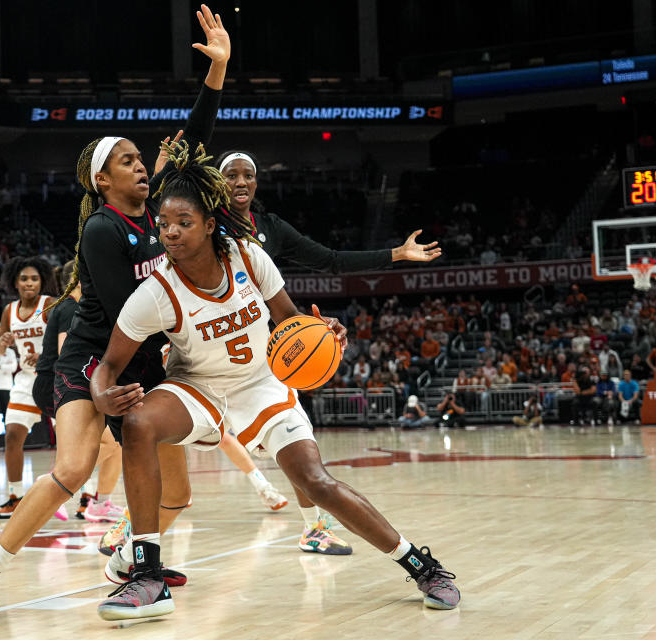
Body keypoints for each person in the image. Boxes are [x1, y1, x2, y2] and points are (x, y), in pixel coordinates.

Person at [0, 6, 229, 628]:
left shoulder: (161, 214)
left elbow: (194, 141)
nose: (140, 162)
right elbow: (127, 312)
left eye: (139, 157)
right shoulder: (102, 226)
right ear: (102, 179)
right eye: (125, 159)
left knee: (178, 494)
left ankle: (124, 558)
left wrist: (217, 71)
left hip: (144, 365)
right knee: (71, 467)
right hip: (95, 358)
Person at [89, 142, 458, 619]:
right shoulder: (155, 292)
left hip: (262, 383)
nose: (171, 233)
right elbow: (108, 368)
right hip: (197, 386)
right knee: (138, 423)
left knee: (314, 480)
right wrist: (103, 395)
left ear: (208, 223)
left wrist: (321, 332)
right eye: (163, 225)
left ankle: (421, 565)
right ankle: (147, 576)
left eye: (183, 223)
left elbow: (289, 322)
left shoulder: (249, 257)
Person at [34, 261, 124, 522]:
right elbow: (67, 352)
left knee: (115, 442)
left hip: (61, 382)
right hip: (58, 382)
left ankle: (100, 503)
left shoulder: (70, 306)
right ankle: (58, 484)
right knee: (108, 441)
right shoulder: (71, 308)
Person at [0, 256, 58, 519]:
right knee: (12, 436)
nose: (29, 283)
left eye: (34, 278)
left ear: (42, 281)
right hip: (27, 379)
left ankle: (83, 495)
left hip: (55, 376)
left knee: (69, 441)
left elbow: (68, 338)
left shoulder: (50, 304)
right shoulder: (9, 311)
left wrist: (46, 358)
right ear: (15, 283)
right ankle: (15, 495)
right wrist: (2, 341)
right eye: (24, 279)